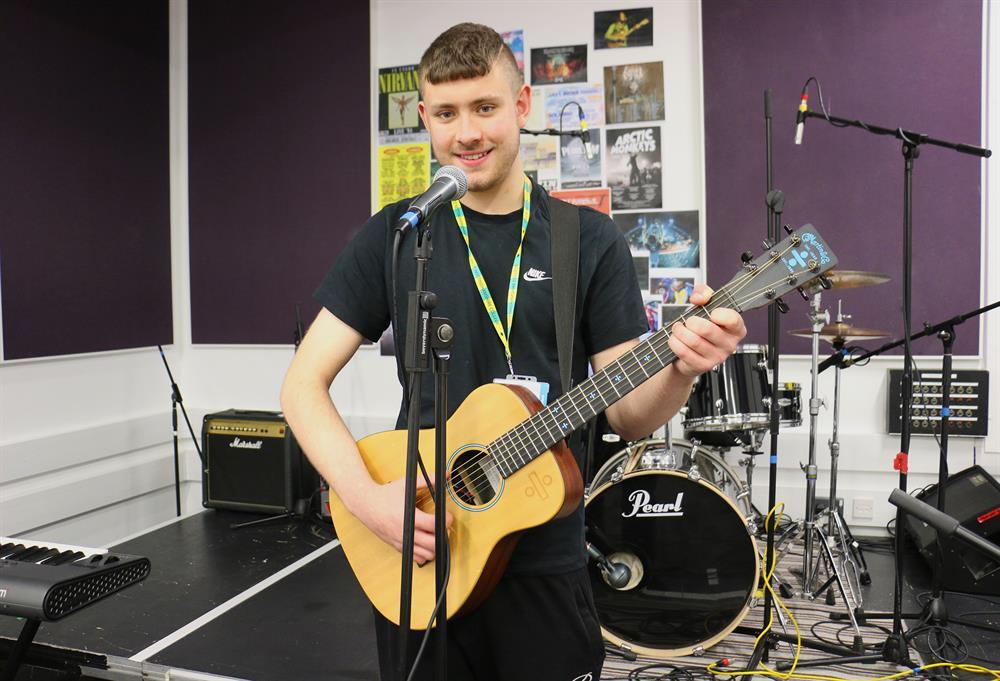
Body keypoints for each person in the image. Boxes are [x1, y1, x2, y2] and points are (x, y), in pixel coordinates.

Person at [280, 22, 746, 681]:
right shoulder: (398, 233)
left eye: (485, 108)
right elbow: (301, 385)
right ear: (424, 118)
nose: (466, 132)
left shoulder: (587, 240)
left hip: (546, 560)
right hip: (422, 550)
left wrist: (682, 367)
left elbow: (629, 415)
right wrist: (365, 499)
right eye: (446, 113)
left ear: (522, 105)